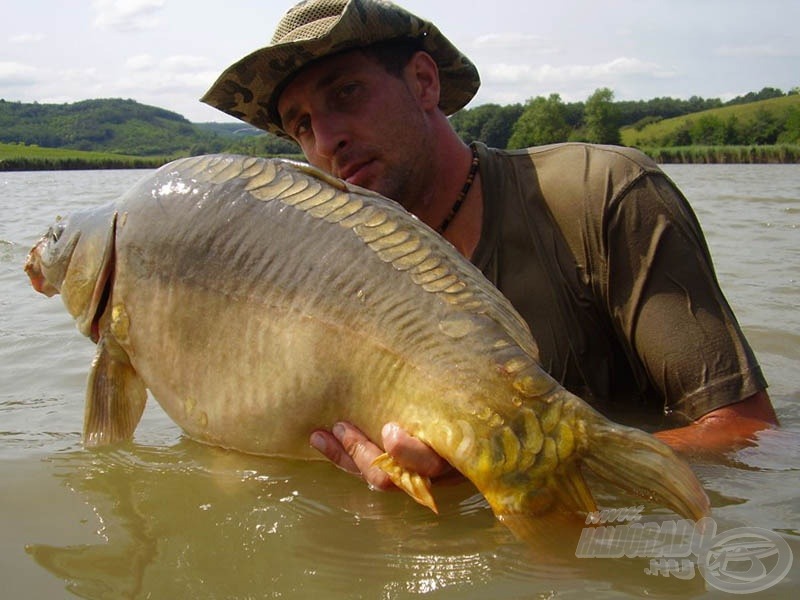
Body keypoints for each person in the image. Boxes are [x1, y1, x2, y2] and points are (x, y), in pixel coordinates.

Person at [202, 0, 778, 491]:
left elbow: (745, 434)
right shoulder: (319, 276)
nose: (327, 141)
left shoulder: (600, 195)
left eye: (347, 93)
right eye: (300, 125)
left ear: (424, 82)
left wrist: (512, 465)